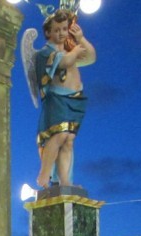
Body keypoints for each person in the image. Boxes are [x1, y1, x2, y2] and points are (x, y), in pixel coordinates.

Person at [34, 9, 96, 188]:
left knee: (68, 140)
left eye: (64, 29)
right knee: (59, 134)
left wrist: (81, 38)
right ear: (48, 32)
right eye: (57, 30)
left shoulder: (70, 50)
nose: (61, 33)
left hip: (75, 100)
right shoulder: (45, 53)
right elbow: (63, 63)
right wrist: (76, 50)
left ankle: (65, 182)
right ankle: (44, 176)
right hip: (57, 100)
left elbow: (91, 57)